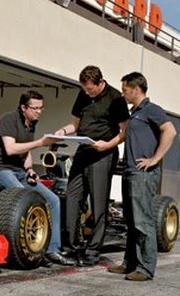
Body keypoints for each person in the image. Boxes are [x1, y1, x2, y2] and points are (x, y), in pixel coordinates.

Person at [0, 90, 74, 266]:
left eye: (41, 108)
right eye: (35, 108)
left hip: (19, 171)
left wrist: (29, 169)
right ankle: (25, 247)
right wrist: (41, 143)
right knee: (25, 197)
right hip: (0, 170)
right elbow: (11, 149)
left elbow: (25, 152)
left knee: (53, 200)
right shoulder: (9, 120)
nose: (39, 112)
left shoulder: (31, 123)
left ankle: (52, 250)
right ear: (23, 107)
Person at [55, 65, 129, 265]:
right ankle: (69, 249)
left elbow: (124, 132)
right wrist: (63, 131)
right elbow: (75, 125)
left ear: (100, 82)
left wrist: (107, 145)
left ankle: (92, 251)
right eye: (85, 89)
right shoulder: (83, 95)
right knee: (72, 198)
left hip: (104, 154)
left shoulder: (116, 99)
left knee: (98, 204)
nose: (87, 92)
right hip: (83, 150)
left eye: (90, 89)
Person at [107, 72, 176, 281]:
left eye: (125, 89)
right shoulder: (135, 112)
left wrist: (155, 158)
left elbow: (170, 131)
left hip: (142, 174)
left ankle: (146, 269)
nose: (123, 93)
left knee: (142, 221)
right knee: (131, 220)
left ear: (136, 89)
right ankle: (130, 263)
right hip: (130, 172)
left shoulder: (151, 110)